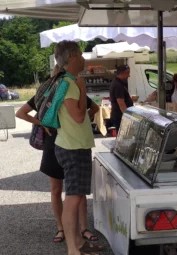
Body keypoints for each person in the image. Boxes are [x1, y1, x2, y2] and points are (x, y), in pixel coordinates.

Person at [16, 67, 100, 245]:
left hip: (70, 141)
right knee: (56, 189)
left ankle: (83, 228)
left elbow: (95, 107)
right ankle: (61, 227)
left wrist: (83, 118)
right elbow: (20, 113)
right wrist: (43, 123)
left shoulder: (72, 90)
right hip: (52, 143)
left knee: (78, 190)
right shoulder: (45, 93)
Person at [53, 40, 104, 255]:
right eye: (81, 55)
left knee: (76, 195)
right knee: (73, 198)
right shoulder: (70, 83)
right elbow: (78, 115)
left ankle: (77, 242)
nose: (84, 59)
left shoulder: (65, 81)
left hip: (73, 145)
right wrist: (83, 89)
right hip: (73, 148)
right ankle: (73, 249)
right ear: (72, 56)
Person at [109, 64, 134, 132]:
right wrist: (128, 117)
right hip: (119, 116)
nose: (129, 75)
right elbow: (121, 103)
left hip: (119, 115)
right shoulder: (118, 85)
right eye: (127, 73)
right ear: (121, 73)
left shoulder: (119, 83)